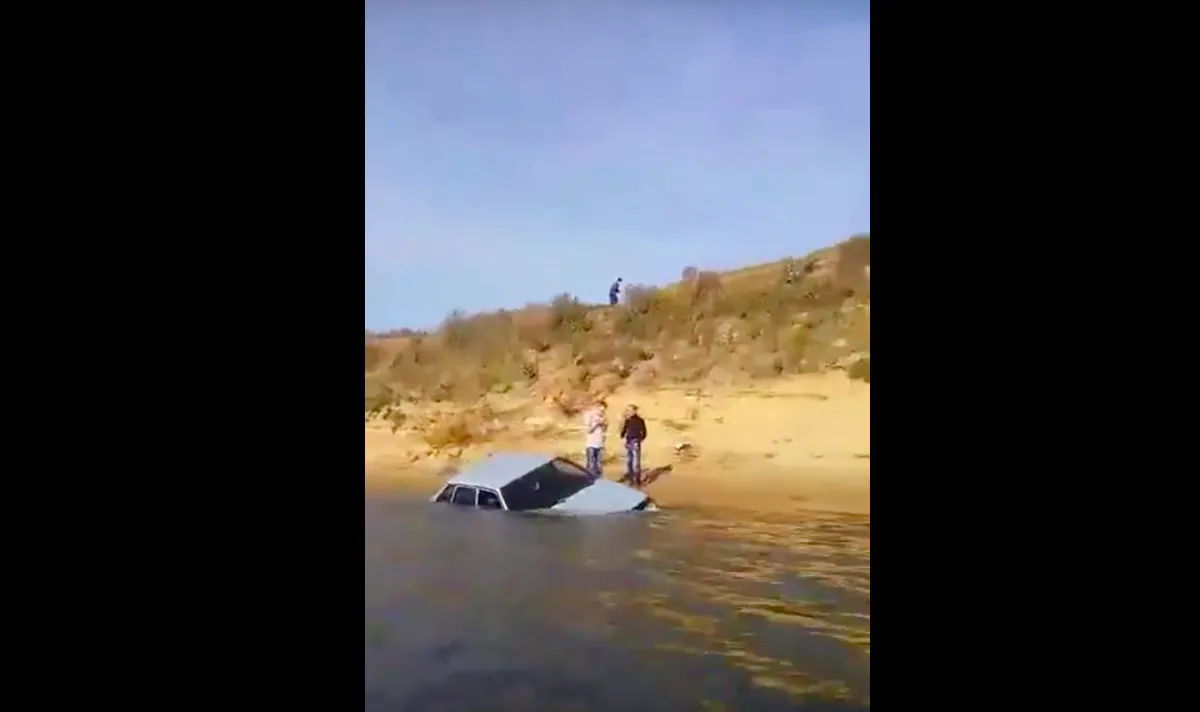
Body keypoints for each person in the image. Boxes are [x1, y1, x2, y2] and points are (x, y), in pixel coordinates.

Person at [619, 404, 648, 487]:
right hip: (628, 441)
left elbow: (644, 431)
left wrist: (640, 439)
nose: (629, 412)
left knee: (636, 462)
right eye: (629, 410)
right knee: (629, 461)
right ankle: (631, 479)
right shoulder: (628, 420)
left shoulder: (640, 420)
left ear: (635, 411)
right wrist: (622, 435)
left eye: (631, 410)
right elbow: (624, 429)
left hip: (635, 441)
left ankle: (637, 480)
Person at [583, 399, 607, 477]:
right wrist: (597, 424)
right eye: (601, 409)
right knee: (591, 465)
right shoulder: (589, 415)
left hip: (600, 444)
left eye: (603, 410)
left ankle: (599, 479)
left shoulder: (603, 417)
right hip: (591, 444)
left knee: (599, 465)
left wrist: (604, 424)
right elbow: (589, 430)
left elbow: (604, 430)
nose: (602, 411)